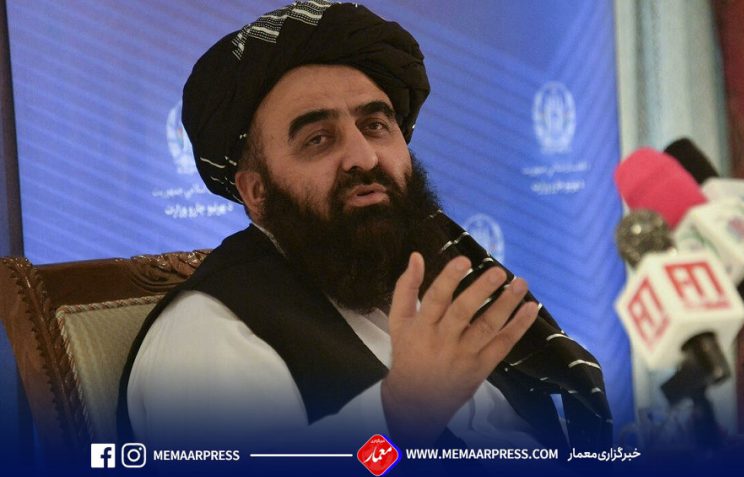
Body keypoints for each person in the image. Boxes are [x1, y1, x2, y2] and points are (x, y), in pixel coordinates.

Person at [118, 1, 612, 454]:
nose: (364, 156)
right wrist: (401, 415)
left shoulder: (429, 281)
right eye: (318, 138)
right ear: (256, 192)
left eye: (375, 125)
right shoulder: (207, 336)